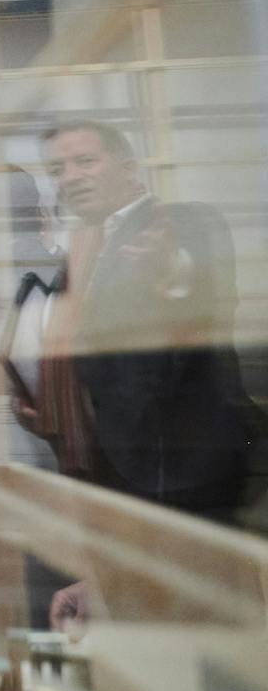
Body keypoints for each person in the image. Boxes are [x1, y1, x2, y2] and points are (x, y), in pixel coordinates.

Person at [21, 121, 264, 626]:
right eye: (57, 169)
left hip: (188, 488)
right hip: (118, 489)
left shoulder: (183, 223)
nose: (71, 177)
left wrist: (169, 272)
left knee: (210, 643)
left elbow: (195, 283)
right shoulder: (82, 253)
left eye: (86, 161)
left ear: (129, 167)